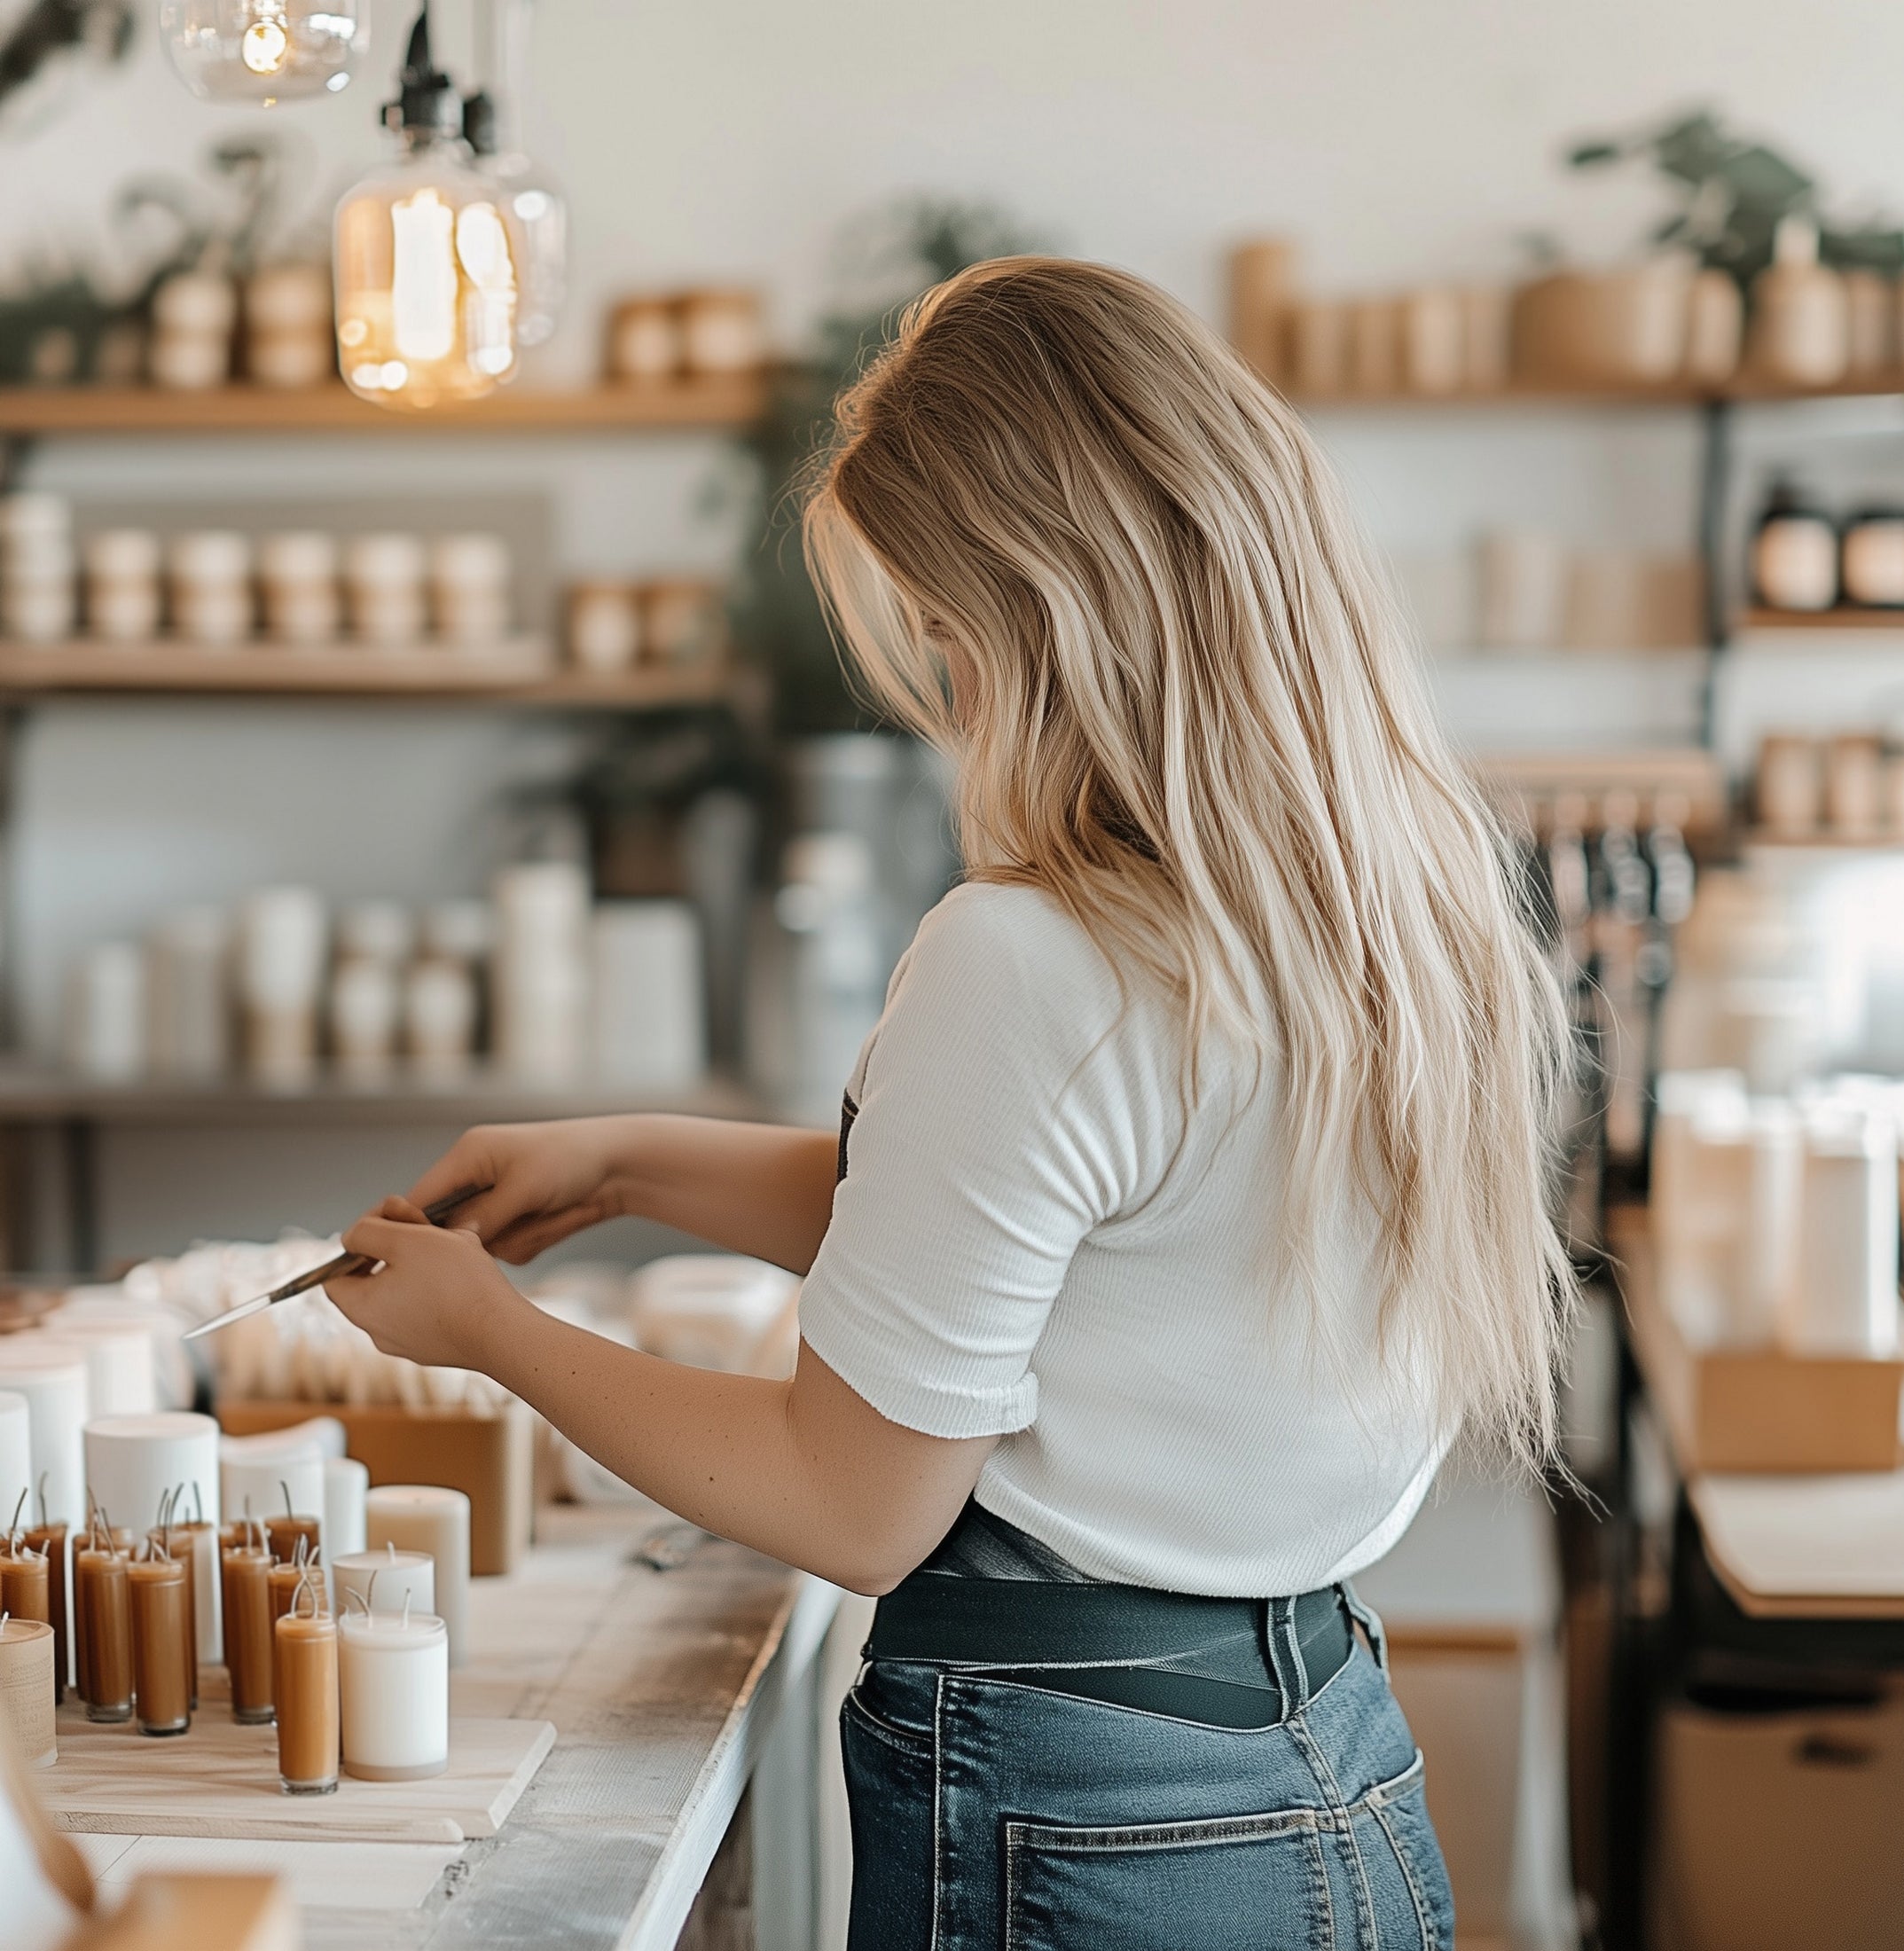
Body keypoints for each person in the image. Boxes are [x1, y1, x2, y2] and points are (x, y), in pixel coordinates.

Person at [326, 257, 1575, 1950]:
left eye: (944, 642)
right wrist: (622, 1164)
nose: (948, 703)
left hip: (1084, 1822)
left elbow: (850, 1501)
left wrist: (498, 1334)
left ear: (1048, 617)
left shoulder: (1032, 957)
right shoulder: (1396, 908)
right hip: (1326, 1766)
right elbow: (1067, 1253)